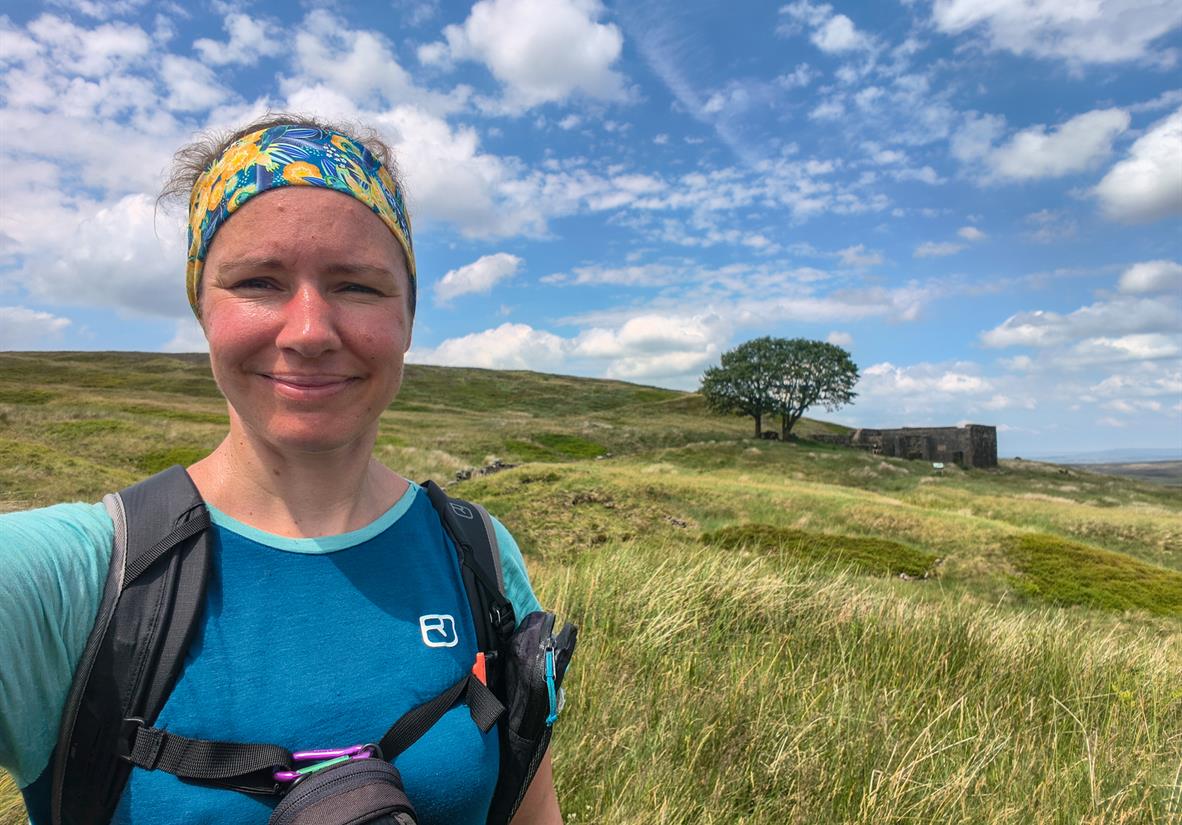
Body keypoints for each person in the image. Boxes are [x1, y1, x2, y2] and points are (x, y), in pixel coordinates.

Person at [0, 115, 564, 824]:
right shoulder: (78, 582)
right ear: (201, 308)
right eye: (259, 281)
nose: (308, 332)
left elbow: (529, 806)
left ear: (410, 317)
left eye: (357, 286)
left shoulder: (478, 552)